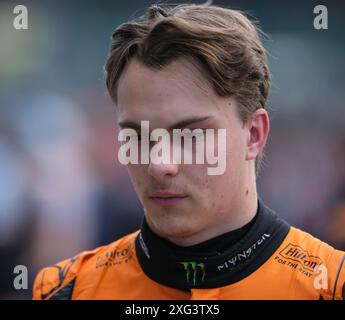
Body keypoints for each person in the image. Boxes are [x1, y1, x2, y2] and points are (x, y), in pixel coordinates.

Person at [33, 3, 345, 300]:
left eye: (190, 136)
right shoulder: (67, 290)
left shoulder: (330, 284)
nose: (159, 165)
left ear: (253, 135)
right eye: (138, 136)